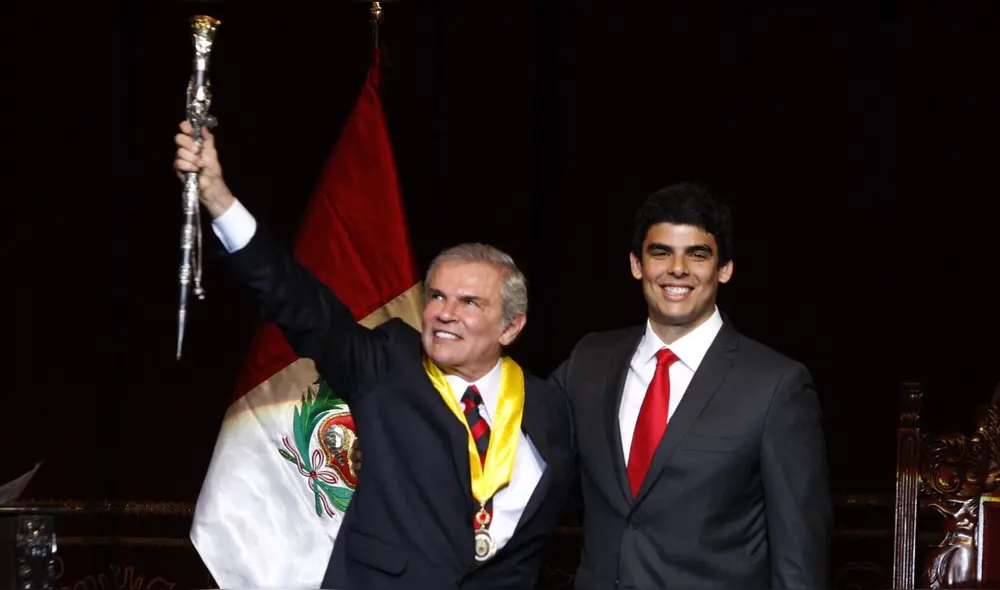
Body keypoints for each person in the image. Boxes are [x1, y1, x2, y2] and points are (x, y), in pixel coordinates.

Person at [173, 121, 575, 589]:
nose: (445, 313)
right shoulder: (387, 362)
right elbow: (301, 304)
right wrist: (219, 198)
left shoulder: (550, 406)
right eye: (437, 296)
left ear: (511, 326)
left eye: (469, 302)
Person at [551, 182, 831, 589]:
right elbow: (520, 433)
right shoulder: (589, 361)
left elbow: (799, 556)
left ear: (724, 269)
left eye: (697, 255)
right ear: (636, 264)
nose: (678, 269)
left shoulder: (777, 386)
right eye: (660, 252)